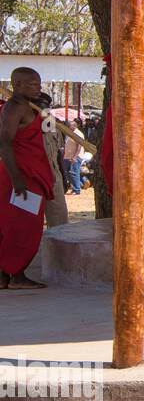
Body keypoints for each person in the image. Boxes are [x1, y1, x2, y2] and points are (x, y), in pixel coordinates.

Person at [0, 67, 54, 289]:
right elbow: (4, 141)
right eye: (32, 84)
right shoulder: (15, 108)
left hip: (31, 171)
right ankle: (16, 274)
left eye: (39, 83)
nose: (38, 87)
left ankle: (5, 275)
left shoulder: (31, 106)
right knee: (23, 226)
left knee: (17, 225)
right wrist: (16, 178)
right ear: (18, 85)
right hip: (22, 175)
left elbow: (47, 129)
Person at [61, 118, 85, 195]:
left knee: (74, 172)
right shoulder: (69, 133)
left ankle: (77, 189)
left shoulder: (78, 134)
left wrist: (75, 157)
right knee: (66, 173)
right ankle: (77, 185)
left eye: (70, 126)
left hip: (75, 156)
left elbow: (79, 146)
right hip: (67, 156)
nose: (68, 127)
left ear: (74, 126)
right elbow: (66, 144)